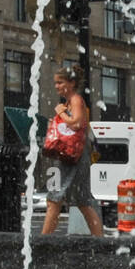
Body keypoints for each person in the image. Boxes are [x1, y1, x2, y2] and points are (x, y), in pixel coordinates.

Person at [41, 66, 104, 236]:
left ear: (72, 83)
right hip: (77, 156)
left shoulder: (75, 100)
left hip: (71, 156)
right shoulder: (71, 101)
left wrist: (61, 114)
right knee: (84, 202)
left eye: (60, 82)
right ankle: (100, 240)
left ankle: (42, 242)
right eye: (56, 83)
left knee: (54, 199)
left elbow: (76, 123)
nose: (57, 86)